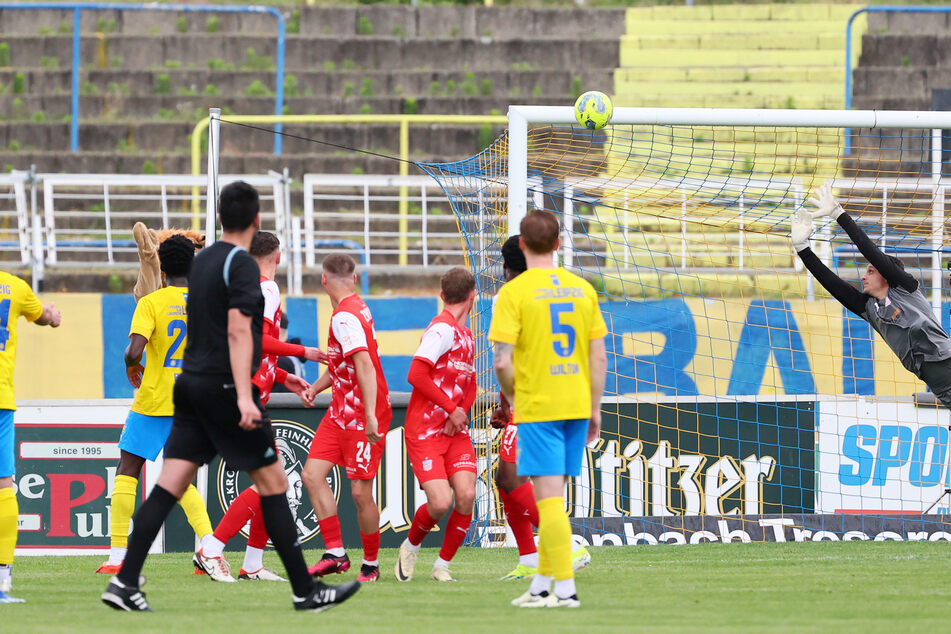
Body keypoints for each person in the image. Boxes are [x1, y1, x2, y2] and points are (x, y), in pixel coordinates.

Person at [101, 181, 360, 612]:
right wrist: (246, 394)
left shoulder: (201, 268)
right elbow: (242, 332)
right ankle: (305, 591)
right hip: (225, 391)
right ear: (256, 220)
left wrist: (279, 372)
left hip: (188, 390)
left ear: (219, 218)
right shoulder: (240, 267)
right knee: (275, 482)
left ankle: (124, 581)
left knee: (167, 485)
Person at [489, 210, 607, 609]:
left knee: (549, 501)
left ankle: (566, 590)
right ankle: (541, 586)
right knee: (553, 497)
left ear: (522, 244)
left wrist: (515, 398)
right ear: (559, 244)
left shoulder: (513, 293)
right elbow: (599, 356)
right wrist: (595, 408)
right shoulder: (582, 289)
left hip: (539, 405)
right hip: (576, 404)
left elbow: (502, 362)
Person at [198, 231, 324, 583]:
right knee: (273, 481)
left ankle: (251, 563)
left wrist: (285, 377)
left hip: (240, 389)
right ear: (278, 257)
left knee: (273, 481)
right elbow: (258, 341)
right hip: (246, 394)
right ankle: (211, 548)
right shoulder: (266, 288)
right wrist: (304, 353)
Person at [95, 235, 218, 577]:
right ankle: (210, 548)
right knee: (182, 481)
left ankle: (117, 555)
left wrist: (129, 363)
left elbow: (134, 352)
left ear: (161, 267)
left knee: (127, 470)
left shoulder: (151, 302)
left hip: (153, 402)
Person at [791, 184, 951, 405]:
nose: (864, 276)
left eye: (871, 271)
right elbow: (832, 284)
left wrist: (838, 213)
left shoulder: (906, 288)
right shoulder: (869, 309)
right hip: (943, 389)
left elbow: (870, 251)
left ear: (886, 275)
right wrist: (802, 248)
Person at [301, 253, 392, 584]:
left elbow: (365, 365)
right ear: (353, 279)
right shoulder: (357, 307)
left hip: (362, 415)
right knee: (312, 475)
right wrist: (316, 386)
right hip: (341, 410)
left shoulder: (344, 317)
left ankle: (371, 563)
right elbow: (345, 363)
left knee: (360, 493)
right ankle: (336, 554)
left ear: (324, 281)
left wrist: (370, 415)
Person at [394, 267, 478, 583]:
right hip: (425, 429)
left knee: (467, 495)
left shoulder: (467, 336)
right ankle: (411, 545)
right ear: (473, 297)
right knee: (441, 502)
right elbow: (415, 375)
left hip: (453, 430)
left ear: (442, 295)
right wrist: (451, 409)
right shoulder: (440, 330)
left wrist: (460, 414)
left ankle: (441, 565)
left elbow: (469, 383)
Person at [0, 271, 60, 604]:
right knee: (4, 486)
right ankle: (1, 577)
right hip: (1, 399)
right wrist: (53, 316)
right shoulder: (16, 286)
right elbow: (43, 316)